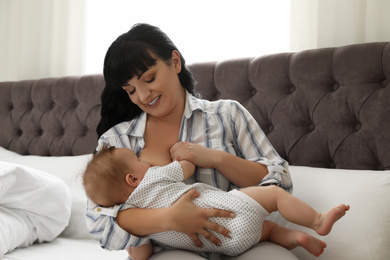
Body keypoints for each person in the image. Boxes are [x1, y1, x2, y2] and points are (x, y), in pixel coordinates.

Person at [86, 23, 294, 259]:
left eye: (150, 78)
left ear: (175, 62)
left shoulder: (227, 115)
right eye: (131, 90)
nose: (143, 96)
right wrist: (167, 219)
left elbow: (281, 183)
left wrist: (217, 159)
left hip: (243, 240)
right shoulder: (115, 141)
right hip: (167, 251)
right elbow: (99, 221)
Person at [83, 144, 350, 260]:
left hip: (225, 244)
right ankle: (316, 221)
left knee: (266, 232)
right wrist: (183, 158)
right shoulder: (154, 175)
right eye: (139, 161)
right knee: (275, 197)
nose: (145, 161)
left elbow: (141, 253)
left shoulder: (131, 214)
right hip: (232, 209)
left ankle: (293, 237)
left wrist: (134, 249)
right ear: (132, 179)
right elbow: (186, 167)